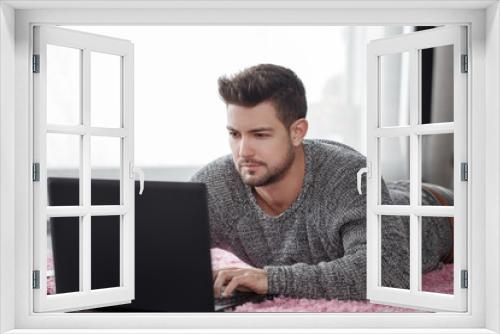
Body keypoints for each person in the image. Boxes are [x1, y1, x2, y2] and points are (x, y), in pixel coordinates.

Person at [190, 64, 454, 301]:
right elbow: (160, 250)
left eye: (260, 135)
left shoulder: (348, 175)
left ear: (297, 132)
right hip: (382, 197)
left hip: (440, 213)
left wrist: (269, 279)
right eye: (235, 134)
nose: (243, 151)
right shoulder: (215, 185)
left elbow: (389, 272)